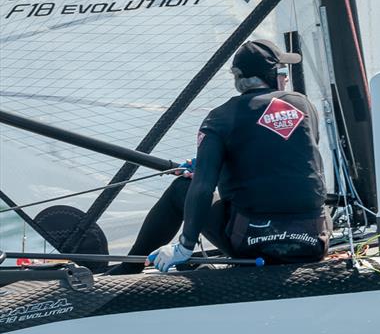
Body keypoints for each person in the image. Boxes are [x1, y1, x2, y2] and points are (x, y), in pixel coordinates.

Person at [109, 40, 330, 274]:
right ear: (273, 74)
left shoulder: (220, 117)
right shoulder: (302, 104)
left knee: (182, 188)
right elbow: (291, 157)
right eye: (283, 71)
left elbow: (203, 188)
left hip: (253, 245)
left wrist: (185, 246)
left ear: (237, 78)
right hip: (313, 242)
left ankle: (129, 267)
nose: (286, 78)